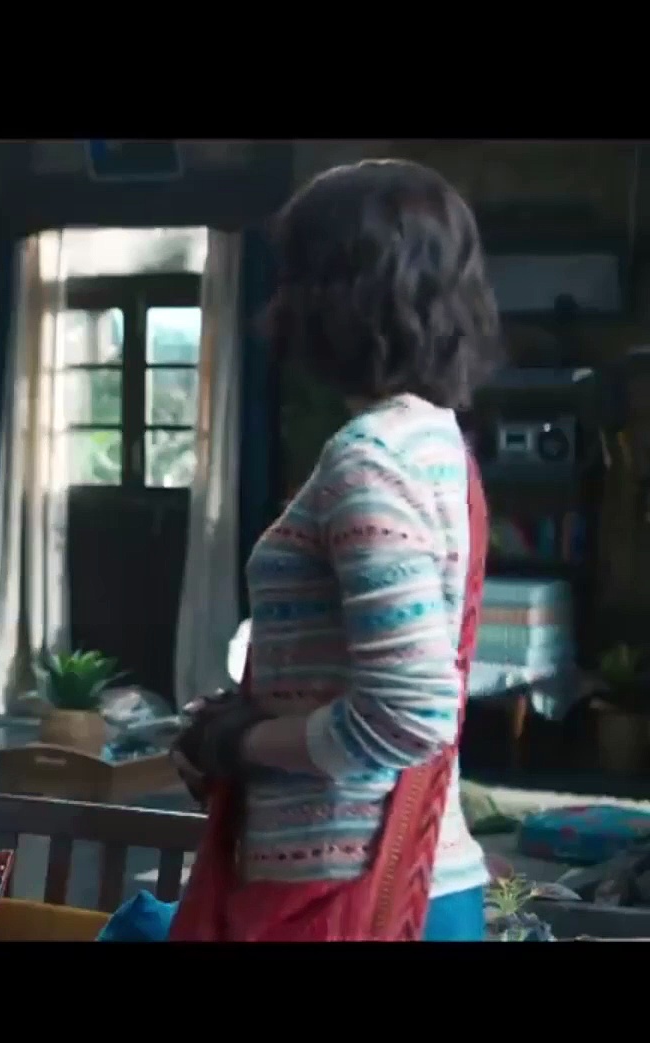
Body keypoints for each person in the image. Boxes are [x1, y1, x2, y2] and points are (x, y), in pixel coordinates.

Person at [169, 159, 500, 941]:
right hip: (408, 879)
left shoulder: (369, 459)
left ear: (332, 293)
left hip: (347, 893)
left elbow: (410, 717)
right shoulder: (435, 442)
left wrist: (238, 743)